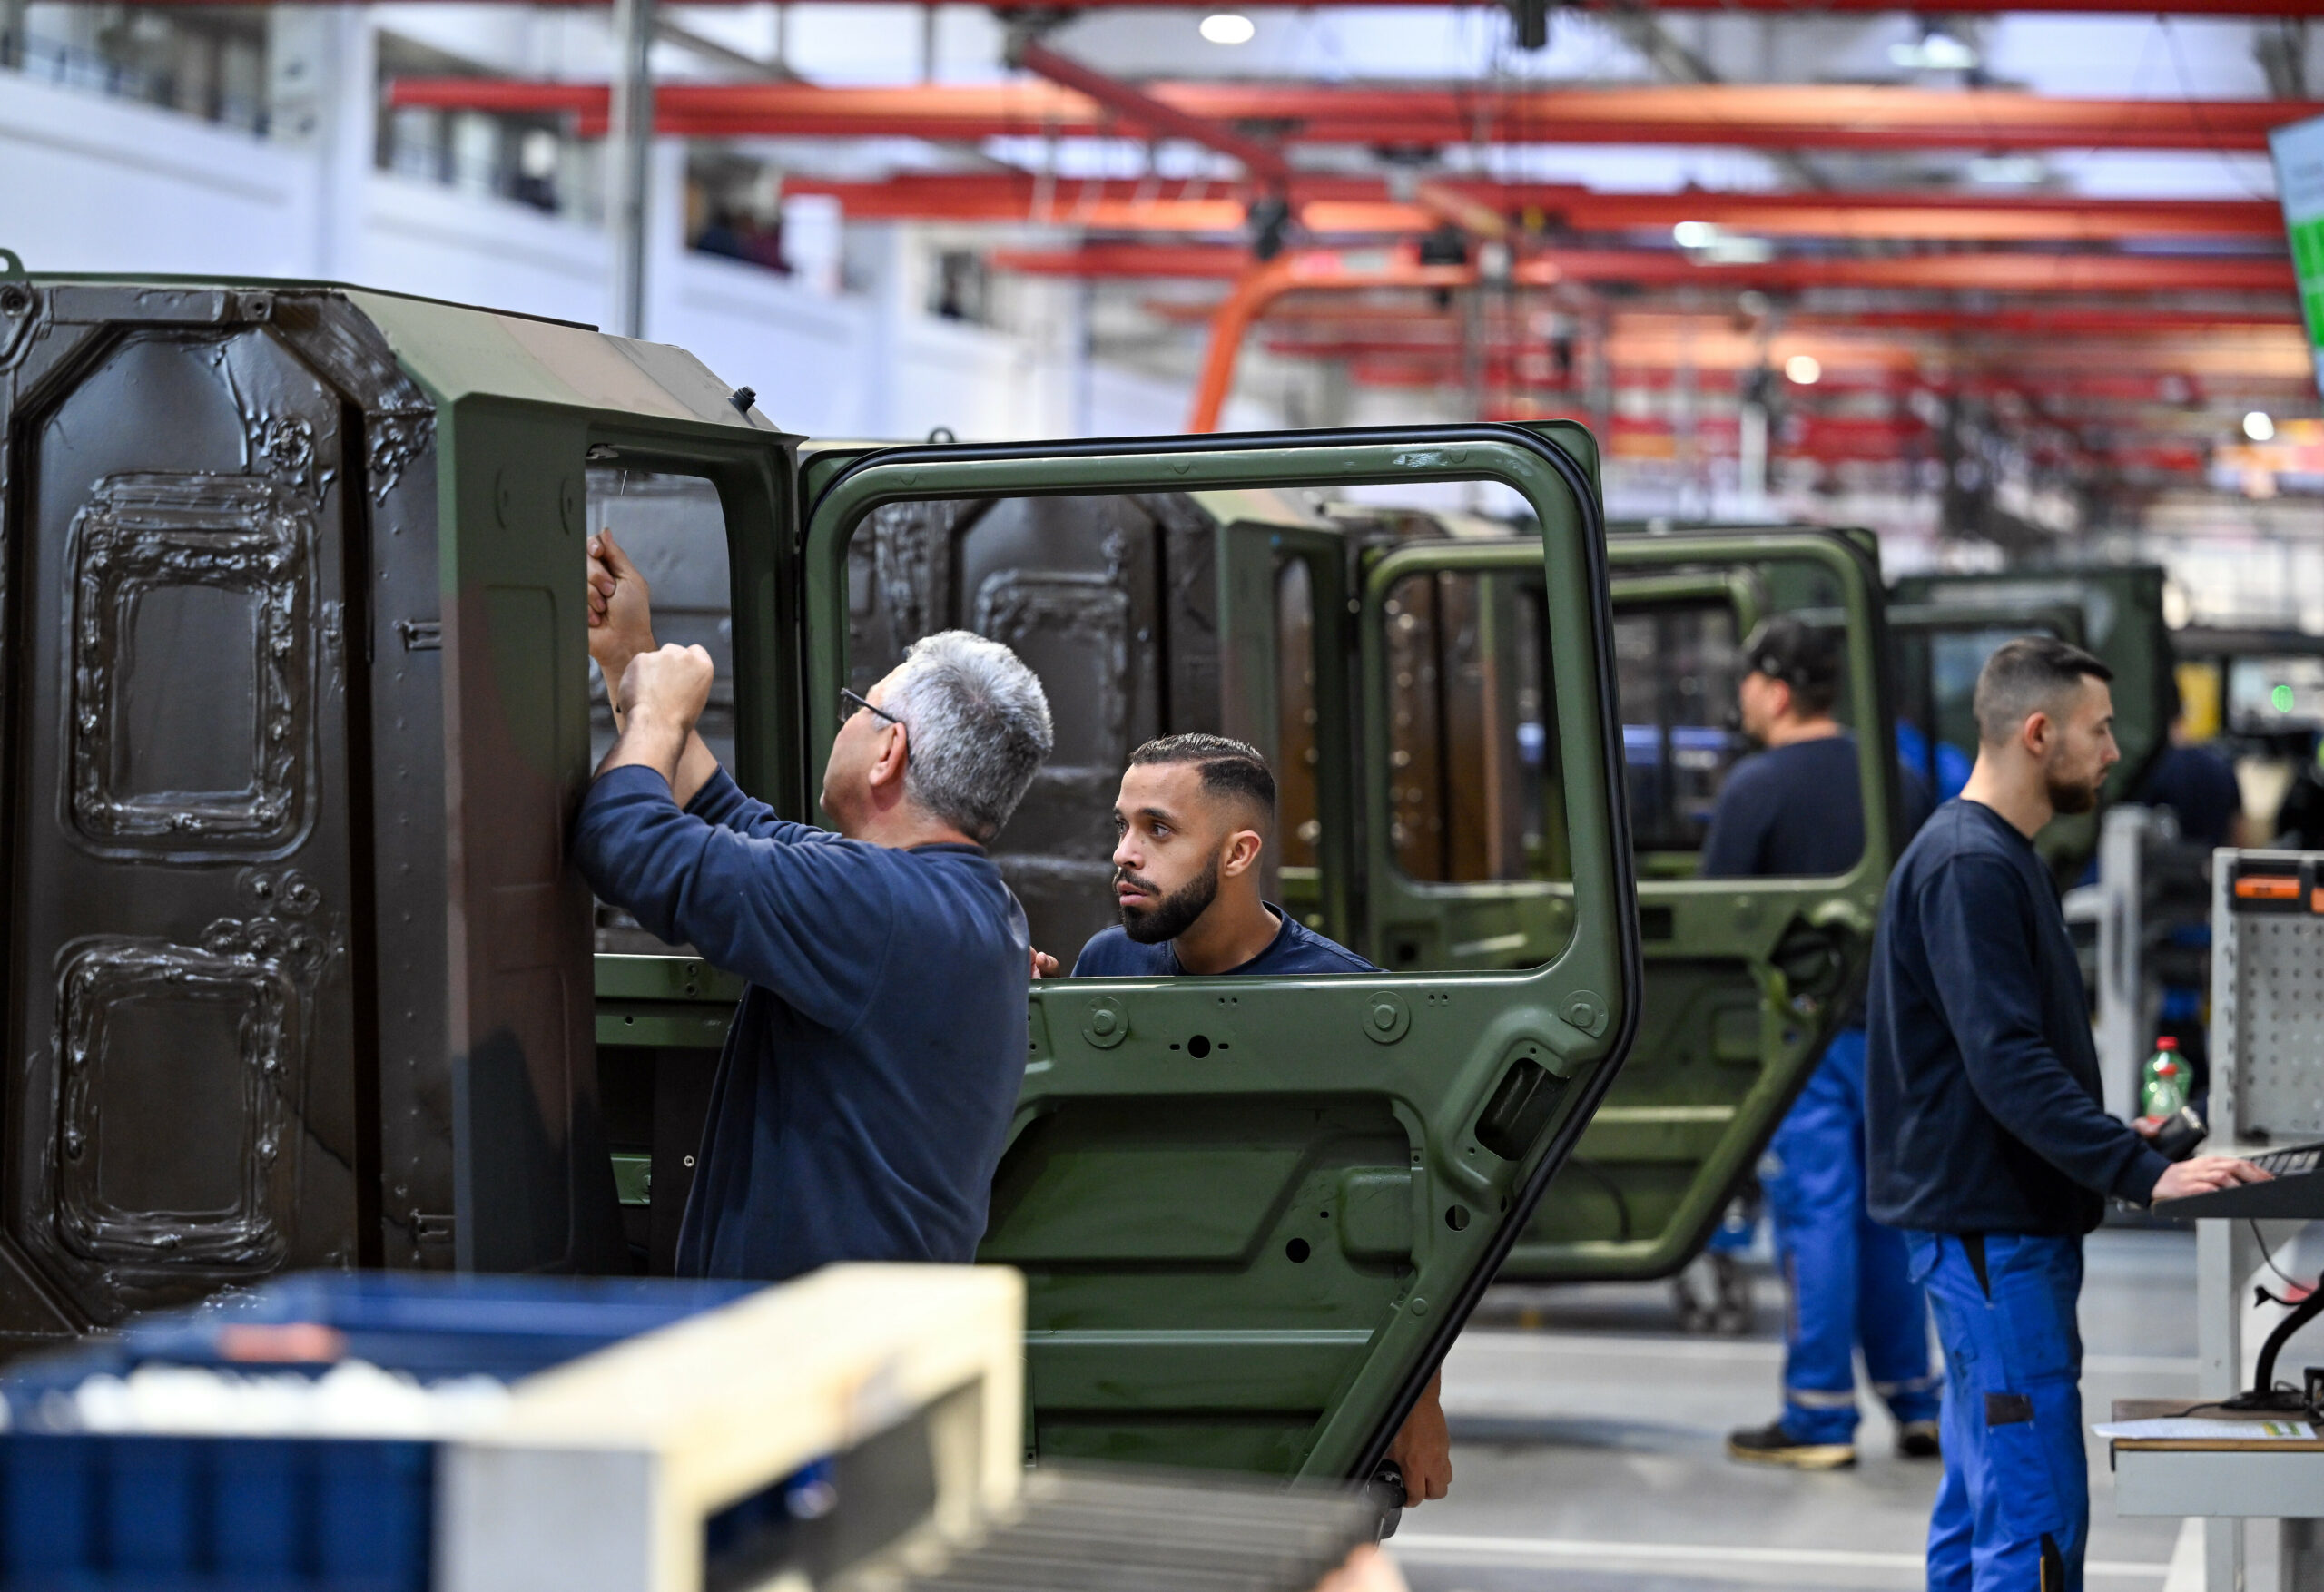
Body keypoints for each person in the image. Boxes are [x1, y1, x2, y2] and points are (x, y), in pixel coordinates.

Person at [1866, 636, 2270, 1592]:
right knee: (2032, 1518)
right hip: (1990, 1235)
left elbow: (2001, 1056)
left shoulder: (1990, 855)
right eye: (2097, 728)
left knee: (1983, 1499)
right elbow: (2005, 1060)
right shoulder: (1970, 864)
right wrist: (2143, 1171)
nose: (2113, 747)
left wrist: (2105, 1137)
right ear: (2037, 733)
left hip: (1988, 1226)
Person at [575, 531, 1055, 1280]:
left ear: (889, 750)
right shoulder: (961, 900)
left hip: (804, 1361)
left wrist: (657, 720)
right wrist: (630, 657)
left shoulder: (875, 907)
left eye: (857, 710)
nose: (845, 724)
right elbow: (735, 822)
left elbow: (621, 839)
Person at [1052, 732, 1453, 1512]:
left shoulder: (1347, 1003)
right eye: (1122, 825)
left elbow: (1419, 1221)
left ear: (1238, 854)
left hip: (1295, 1361)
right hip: (1131, 1354)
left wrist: (1417, 1399)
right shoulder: (1106, 965)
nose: (1125, 854)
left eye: (1158, 830)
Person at [1708, 618, 1943, 1471]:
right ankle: (1918, 1403)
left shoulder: (1754, 788)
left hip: (1803, 1037)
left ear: (1773, 688)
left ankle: (1818, 1416)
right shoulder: (1901, 780)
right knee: (1890, 1216)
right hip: (1895, 1032)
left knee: (1817, 1218)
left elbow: (1716, 919)